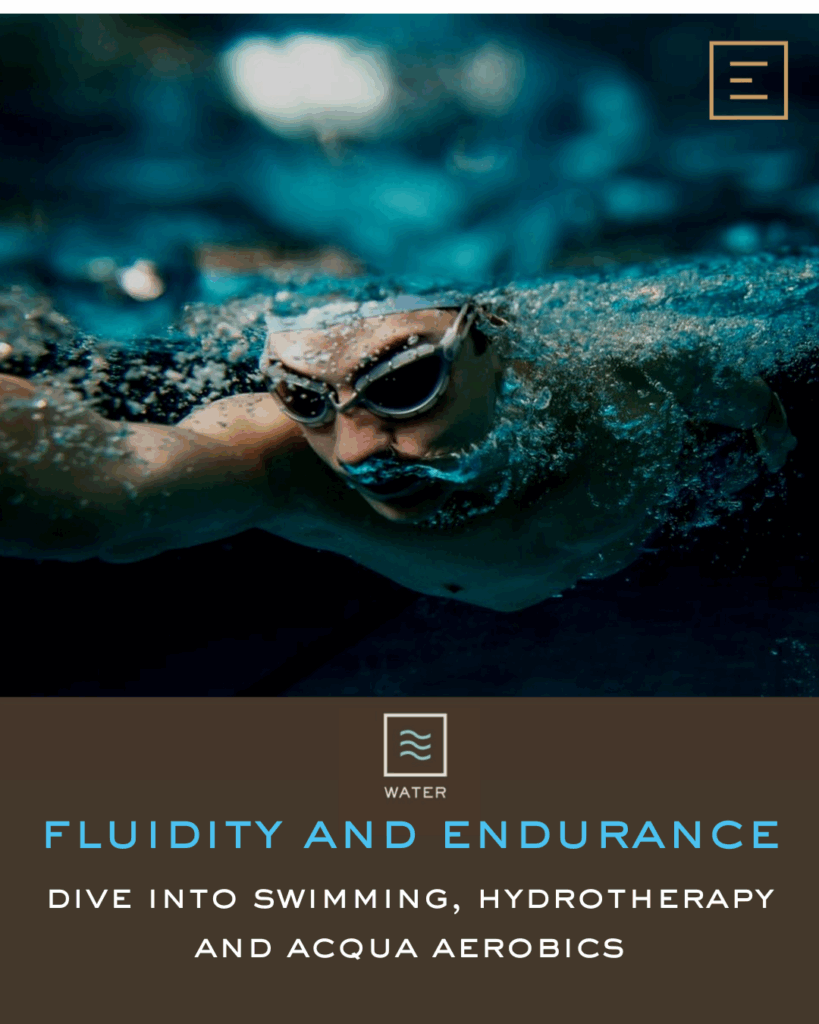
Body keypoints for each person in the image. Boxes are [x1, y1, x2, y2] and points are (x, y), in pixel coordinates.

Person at [0, 262, 803, 612]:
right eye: (301, 396)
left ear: (494, 334)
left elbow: (754, 405)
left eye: (401, 383)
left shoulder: (645, 369)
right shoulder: (274, 459)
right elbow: (99, 504)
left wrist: (771, 454)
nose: (352, 452)